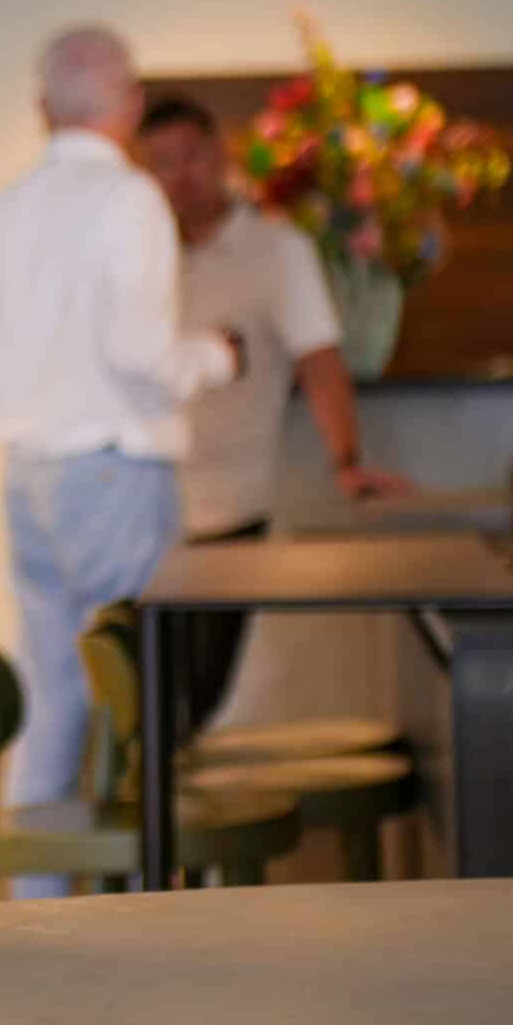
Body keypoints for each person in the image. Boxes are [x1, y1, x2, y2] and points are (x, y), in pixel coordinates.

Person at [0, 27, 242, 897]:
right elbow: (141, 354)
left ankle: (37, 921)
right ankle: (151, 917)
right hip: (118, 476)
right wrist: (218, 356)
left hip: (29, 477)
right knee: (145, 709)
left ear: (43, 108)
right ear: (128, 105)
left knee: (57, 705)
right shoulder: (131, 202)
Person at [138, 94, 411, 729]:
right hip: (138, 510)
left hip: (229, 511)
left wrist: (348, 462)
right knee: (134, 697)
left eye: (192, 156)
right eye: (161, 163)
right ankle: (145, 821)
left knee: (195, 700)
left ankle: (170, 820)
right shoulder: (138, 254)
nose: (180, 176)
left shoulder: (277, 250)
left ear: (220, 153)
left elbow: (320, 362)